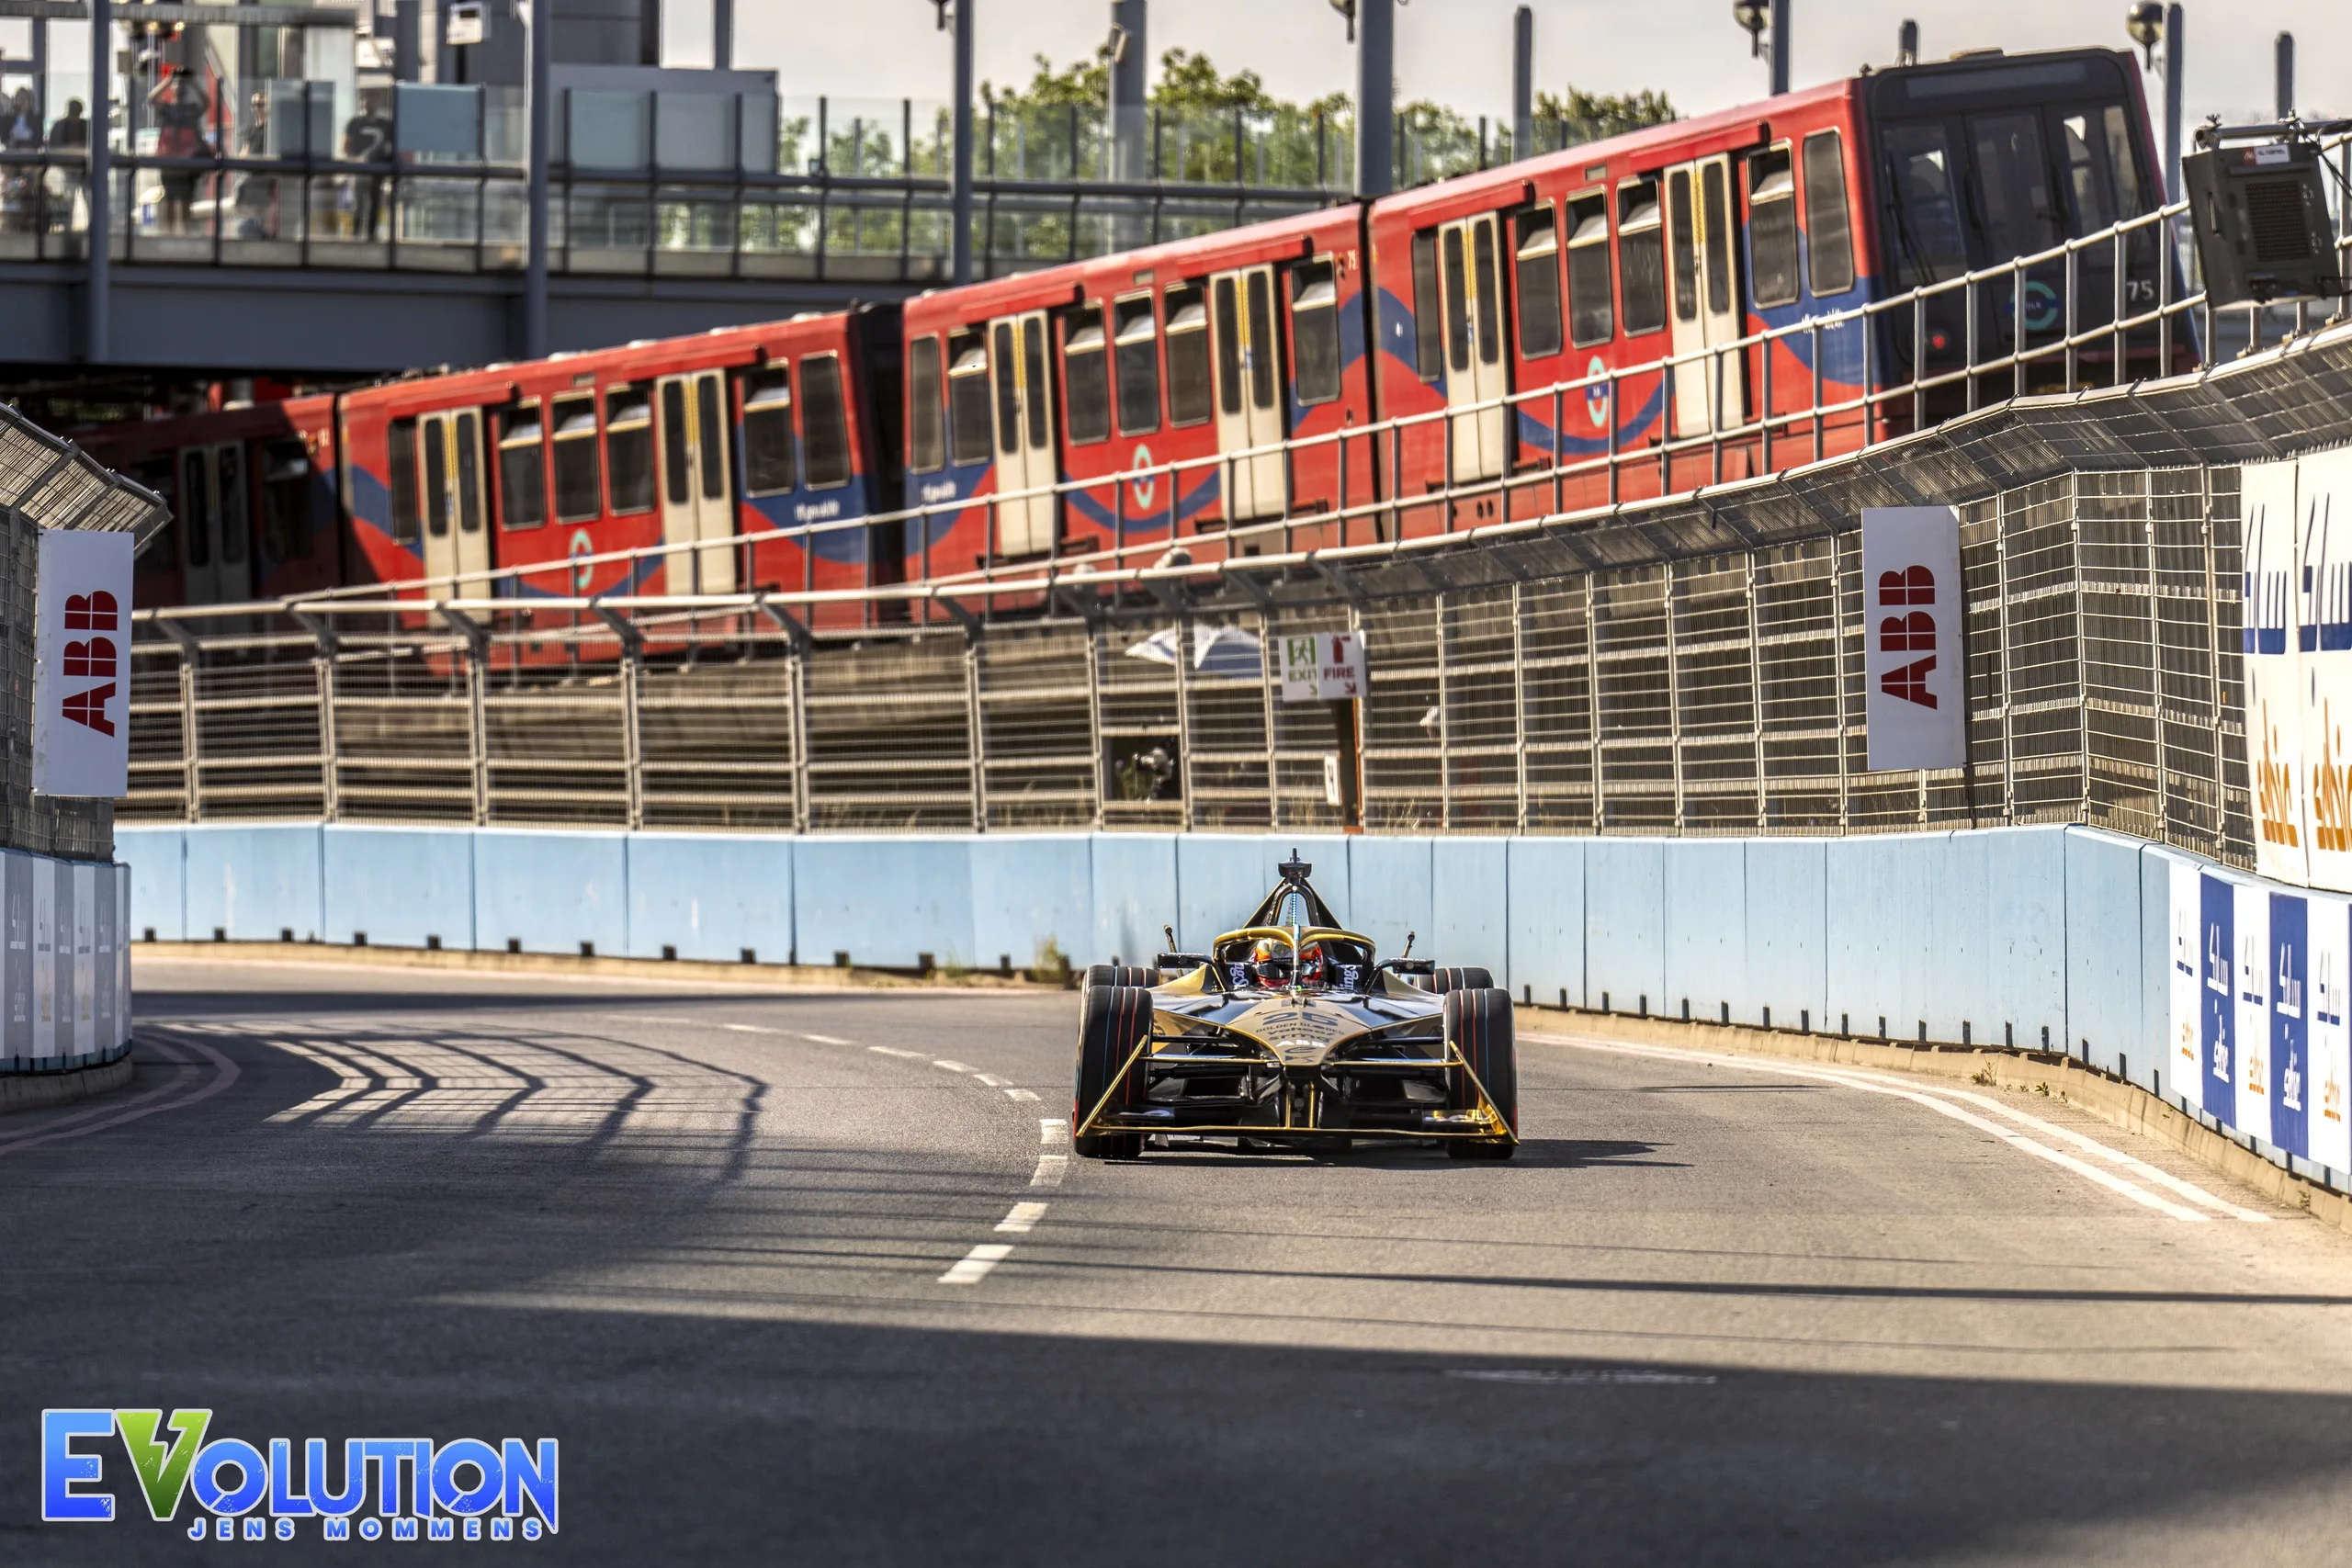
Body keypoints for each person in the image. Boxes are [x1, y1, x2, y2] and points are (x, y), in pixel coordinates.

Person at [149, 66, 209, 233]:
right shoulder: (167, 109)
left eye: (183, 85)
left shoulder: (191, 109)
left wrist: (193, 82)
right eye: (177, 84)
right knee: (169, 198)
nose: (180, 87)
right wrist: (168, 80)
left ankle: (185, 233)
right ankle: (169, 232)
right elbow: (152, 100)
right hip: (168, 160)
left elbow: (206, 103)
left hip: (187, 160)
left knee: (185, 200)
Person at [341, 90, 392, 241]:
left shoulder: (386, 124)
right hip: (359, 169)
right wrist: (355, 160)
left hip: (378, 170)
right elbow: (345, 145)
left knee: (375, 203)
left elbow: (393, 146)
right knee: (358, 203)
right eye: (367, 99)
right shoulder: (355, 123)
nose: (370, 103)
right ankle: (356, 234)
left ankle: (372, 234)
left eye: (374, 99)